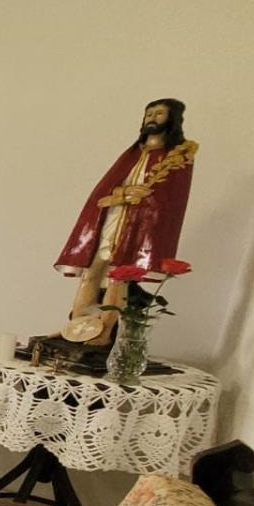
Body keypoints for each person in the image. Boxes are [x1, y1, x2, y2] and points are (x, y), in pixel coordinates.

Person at [55, 99, 196, 344]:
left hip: (138, 228)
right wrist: (122, 195)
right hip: (110, 220)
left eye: (159, 113)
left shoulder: (176, 158)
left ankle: (103, 332)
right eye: (149, 113)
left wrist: (140, 200)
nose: (152, 118)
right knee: (91, 272)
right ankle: (75, 328)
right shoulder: (132, 154)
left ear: (172, 118)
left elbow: (169, 201)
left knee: (118, 278)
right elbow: (103, 193)